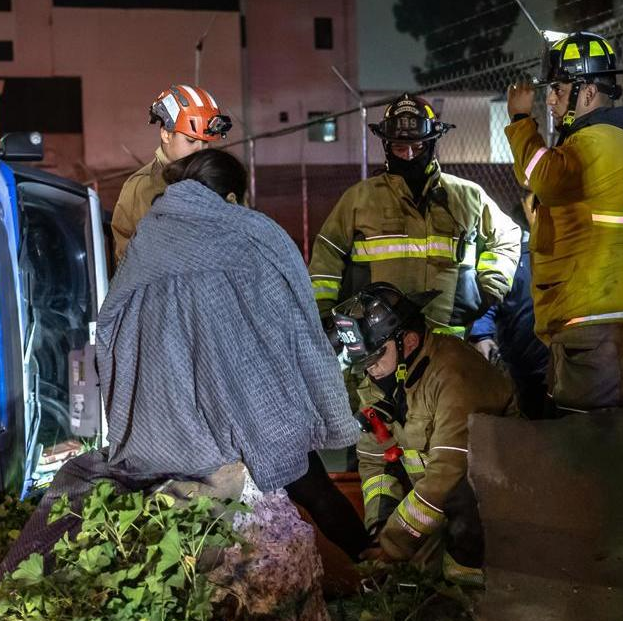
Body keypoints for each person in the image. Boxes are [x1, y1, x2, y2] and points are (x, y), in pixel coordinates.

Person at [95, 148, 369, 558]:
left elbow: (113, 322)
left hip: (168, 414)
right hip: (253, 401)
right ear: (229, 197)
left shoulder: (149, 240)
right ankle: (370, 561)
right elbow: (289, 317)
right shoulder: (249, 233)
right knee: (315, 490)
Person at [503, 31, 623, 413]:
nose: (549, 99)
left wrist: (522, 119)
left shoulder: (602, 139)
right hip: (590, 316)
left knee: (594, 446)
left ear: (587, 92)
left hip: (601, 319)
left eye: (558, 88)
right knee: (581, 438)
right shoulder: (594, 141)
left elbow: (543, 177)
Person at [332, 283, 518, 582]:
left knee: (457, 560)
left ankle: (471, 591)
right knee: (414, 578)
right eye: (364, 363)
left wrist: (393, 545)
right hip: (434, 502)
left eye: (376, 358)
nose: (371, 370)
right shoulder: (382, 376)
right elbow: (375, 461)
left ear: (409, 341)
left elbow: (450, 472)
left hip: (491, 507)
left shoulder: (455, 375)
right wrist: (380, 528)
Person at [309, 93, 520, 336]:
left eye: (417, 147)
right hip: (377, 344)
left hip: (447, 345)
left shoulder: (466, 196)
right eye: (400, 148)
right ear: (387, 147)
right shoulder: (359, 199)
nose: (409, 155)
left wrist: (488, 289)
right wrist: (324, 315)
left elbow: (508, 236)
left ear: (431, 145)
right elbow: (326, 254)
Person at [110, 84, 232, 262]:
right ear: (166, 134)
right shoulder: (140, 187)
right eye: (191, 140)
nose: (200, 150)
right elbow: (127, 258)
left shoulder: (220, 179)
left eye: (205, 143)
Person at [467, 194, 550, 418]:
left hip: (556, 363)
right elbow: (492, 296)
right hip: (519, 365)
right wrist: (482, 335)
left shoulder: (562, 254)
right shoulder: (512, 255)